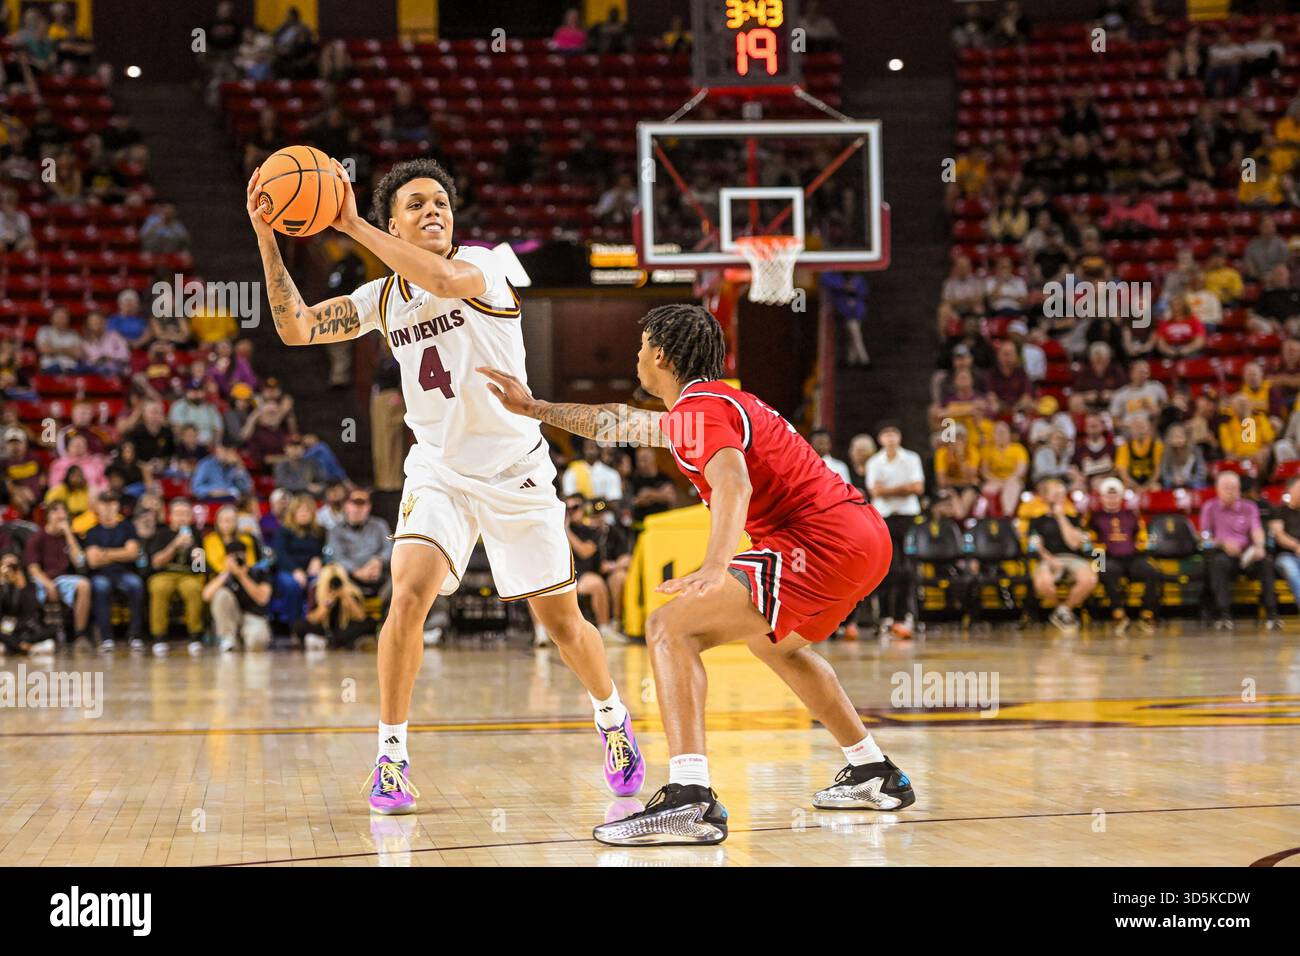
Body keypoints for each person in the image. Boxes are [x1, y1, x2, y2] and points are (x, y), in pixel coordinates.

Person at [248, 154, 648, 813]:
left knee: (563, 624)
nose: (433, 211)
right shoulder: (381, 298)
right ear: (392, 222)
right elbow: (296, 327)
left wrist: (347, 223)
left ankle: (611, 719)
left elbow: (436, 275)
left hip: (515, 469)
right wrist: (268, 239)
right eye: (416, 205)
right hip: (438, 470)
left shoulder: (484, 267)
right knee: (407, 597)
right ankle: (391, 756)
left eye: (441, 202)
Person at [481, 304, 915, 847]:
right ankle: (873, 770)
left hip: (820, 540)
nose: (636, 356)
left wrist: (715, 564)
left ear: (660, 354)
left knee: (669, 628)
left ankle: (691, 798)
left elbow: (733, 482)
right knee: (774, 647)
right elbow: (615, 421)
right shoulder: (709, 405)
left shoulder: (702, 411)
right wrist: (535, 407)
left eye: (641, 347)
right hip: (862, 537)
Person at [865, 423, 924, 639]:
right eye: (886, 434)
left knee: (907, 569)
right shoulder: (874, 462)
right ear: (880, 438)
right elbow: (875, 491)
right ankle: (885, 617)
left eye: (894, 433)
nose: (890, 438)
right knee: (885, 568)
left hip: (907, 517)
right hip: (883, 518)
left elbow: (917, 488)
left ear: (899, 437)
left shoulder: (911, 458)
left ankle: (904, 617)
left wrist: (888, 490)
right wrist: (903, 488)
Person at [1200, 471, 1280, 629]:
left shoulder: (1249, 507)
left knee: (1266, 562)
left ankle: (1273, 614)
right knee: (1218, 563)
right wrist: (1222, 543)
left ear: (1239, 489)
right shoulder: (1210, 507)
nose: (1230, 491)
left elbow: (1257, 530)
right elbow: (1204, 537)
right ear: (1218, 489)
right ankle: (1224, 614)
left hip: (1247, 554)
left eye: (1233, 487)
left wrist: (1259, 546)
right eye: (1226, 487)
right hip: (1224, 554)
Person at [1086, 477, 1162, 634]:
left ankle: (1147, 614)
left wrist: (1141, 547)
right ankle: (1118, 613)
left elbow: (1142, 537)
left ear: (1121, 497)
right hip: (1106, 556)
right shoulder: (1094, 516)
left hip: (1132, 556)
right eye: (1108, 496)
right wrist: (1098, 558)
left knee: (1153, 572)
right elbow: (1089, 539)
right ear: (1102, 497)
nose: (1112, 500)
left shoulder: (1131, 515)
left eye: (1115, 496)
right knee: (1104, 571)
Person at [1027, 478, 1097, 633]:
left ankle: (1063, 610)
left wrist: (1061, 517)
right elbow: (1035, 546)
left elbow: (1074, 544)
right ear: (1045, 496)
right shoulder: (1037, 521)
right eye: (1055, 492)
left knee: (1090, 579)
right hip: (1048, 559)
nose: (1059, 496)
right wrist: (1050, 561)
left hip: (1073, 558)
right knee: (1043, 583)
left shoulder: (1074, 518)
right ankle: (1062, 611)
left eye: (1061, 493)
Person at [202, 503, 271, 652]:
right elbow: (206, 595)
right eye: (223, 520)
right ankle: (228, 637)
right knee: (220, 595)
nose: (227, 524)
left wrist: (241, 575)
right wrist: (227, 572)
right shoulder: (209, 541)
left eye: (231, 520)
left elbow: (262, 598)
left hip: (252, 614)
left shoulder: (257, 569)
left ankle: (245, 634)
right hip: (230, 607)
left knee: (257, 642)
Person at [82, 493, 144, 652]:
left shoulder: (127, 527)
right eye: (104, 504)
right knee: (100, 587)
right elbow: (92, 561)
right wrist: (120, 553)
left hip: (124, 573)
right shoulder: (92, 532)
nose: (108, 508)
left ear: (117, 506)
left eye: (112, 503)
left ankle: (135, 635)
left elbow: (132, 553)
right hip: (101, 574)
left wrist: (103, 553)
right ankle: (106, 638)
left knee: (136, 584)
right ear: (97, 507)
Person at [23, 500, 91, 645]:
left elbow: (80, 562)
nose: (60, 515)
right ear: (48, 516)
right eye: (55, 511)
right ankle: (36, 632)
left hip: (62, 579)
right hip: (42, 580)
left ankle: (80, 635)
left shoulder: (69, 537)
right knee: (32, 589)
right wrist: (48, 585)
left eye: (63, 511)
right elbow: (33, 568)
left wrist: (68, 533)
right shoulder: (37, 537)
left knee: (84, 585)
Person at [145, 498, 206, 655]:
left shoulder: (196, 535)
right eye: (178, 514)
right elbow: (156, 563)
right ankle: (159, 636)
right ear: (170, 516)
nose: (182, 518)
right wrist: (175, 545)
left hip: (188, 575)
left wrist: (193, 548)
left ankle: (195, 636)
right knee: (160, 588)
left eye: (186, 514)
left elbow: (200, 567)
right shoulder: (161, 534)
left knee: (194, 589)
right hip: (164, 574)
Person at [296, 563, 375, 651]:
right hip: (324, 628)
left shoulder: (352, 590)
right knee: (299, 625)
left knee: (370, 622)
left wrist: (346, 597)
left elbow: (361, 617)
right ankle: (333, 640)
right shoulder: (316, 590)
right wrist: (326, 606)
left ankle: (328, 641)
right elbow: (312, 618)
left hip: (344, 628)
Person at [0, 553, 55, 656]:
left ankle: (19, 646)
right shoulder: (3, 587)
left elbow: (32, 610)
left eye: (13, 566)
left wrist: (21, 583)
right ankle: (23, 647)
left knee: (51, 630)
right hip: (8, 628)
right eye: (5, 566)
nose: (9, 570)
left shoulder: (30, 585)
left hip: (27, 627)